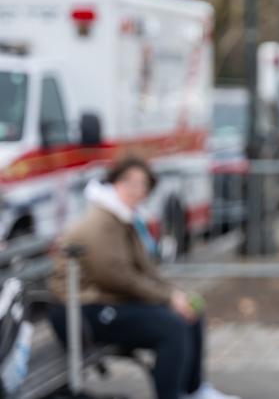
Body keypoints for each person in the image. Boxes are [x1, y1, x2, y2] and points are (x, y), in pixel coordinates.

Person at [48, 157, 237, 399]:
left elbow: (144, 270)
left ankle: (194, 390)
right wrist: (167, 299)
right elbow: (116, 277)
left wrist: (175, 295)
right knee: (172, 327)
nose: (136, 191)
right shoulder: (102, 222)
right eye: (129, 183)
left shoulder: (123, 218)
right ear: (114, 182)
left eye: (142, 185)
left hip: (108, 300)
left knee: (190, 313)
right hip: (82, 311)